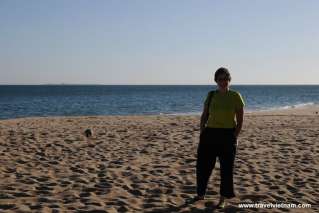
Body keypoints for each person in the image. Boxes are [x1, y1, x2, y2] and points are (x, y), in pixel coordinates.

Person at [194, 67, 245, 209]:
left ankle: (222, 199)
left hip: (228, 135)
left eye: (225, 79)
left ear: (229, 80)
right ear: (216, 80)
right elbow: (204, 115)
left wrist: (234, 136)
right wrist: (203, 131)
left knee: (226, 169)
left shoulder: (236, 96)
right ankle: (200, 194)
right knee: (203, 167)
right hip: (209, 134)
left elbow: (240, 120)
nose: (223, 81)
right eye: (220, 79)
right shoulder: (211, 95)